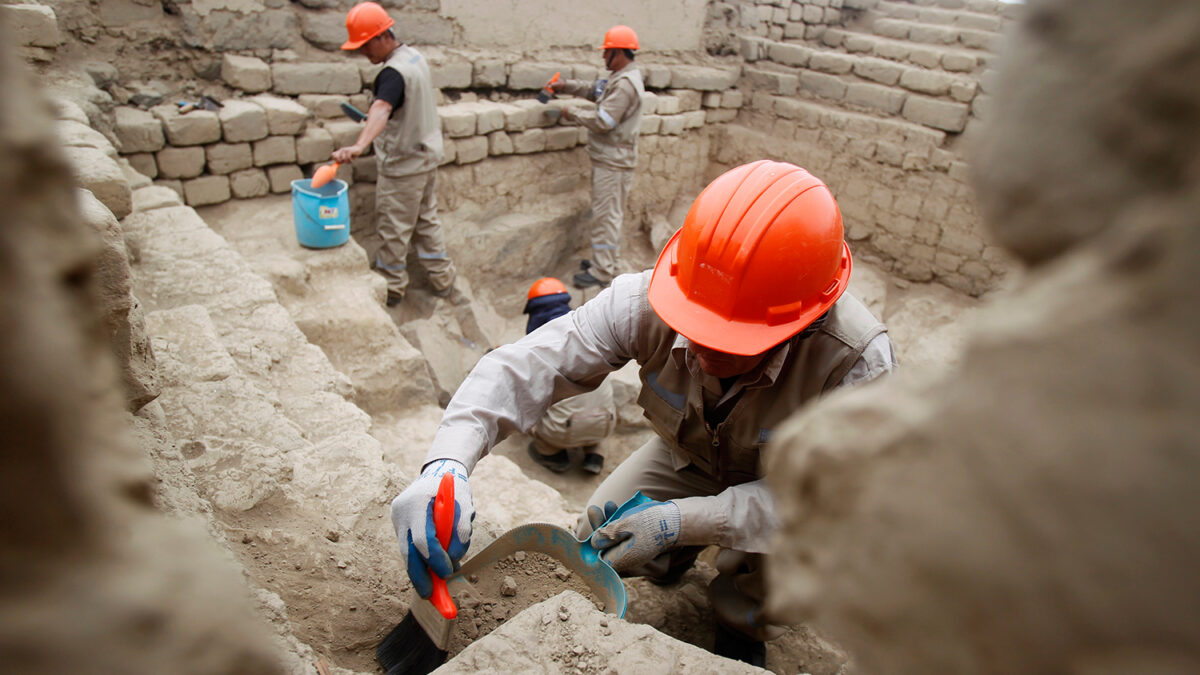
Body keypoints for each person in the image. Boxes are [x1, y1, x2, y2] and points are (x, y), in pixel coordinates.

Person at [389, 160, 897, 665]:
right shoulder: (647, 301)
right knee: (598, 530)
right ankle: (668, 565)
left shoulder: (855, 364)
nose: (699, 350)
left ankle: (741, 622)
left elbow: (828, 504)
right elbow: (522, 368)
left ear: (803, 323)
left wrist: (681, 521)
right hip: (688, 458)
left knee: (783, 572)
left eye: (730, 341)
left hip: (789, 490)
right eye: (694, 325)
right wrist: (446, 464)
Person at [333, 2, 458, 307]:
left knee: (394, 229)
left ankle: (392, 287)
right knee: (426, 221)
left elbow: (382, 108)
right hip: (426, 157)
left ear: (380, 37)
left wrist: (359, 146)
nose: (364, 53)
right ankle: (443, 280)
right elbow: (401, 108)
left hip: (404, 166)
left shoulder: (392, 73)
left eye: (365, 46)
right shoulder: (414, 57)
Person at [551, 25, 645, 290]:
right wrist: (565, 86)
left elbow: (604, 120)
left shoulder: (626, 84)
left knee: (606, 217)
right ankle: (606, 263)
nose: (603, 58)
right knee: (608, 215)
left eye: (607, 53)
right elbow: (596, 90)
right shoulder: (619, 77)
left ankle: (602, 272)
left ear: (619, 52)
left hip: (614, 163)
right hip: (610, 159)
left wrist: (572, 113)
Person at [523, 277, 616, 474]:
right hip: (605, 423)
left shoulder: (539, 350)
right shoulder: (593, 336)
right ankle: (595, 453)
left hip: (563, 429)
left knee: (528, 412)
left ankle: (554, 455)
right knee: (597, 410)